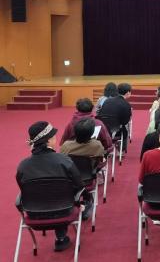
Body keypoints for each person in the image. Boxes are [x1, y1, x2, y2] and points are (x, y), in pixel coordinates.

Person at [16, 121, 83, 252]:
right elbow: (79, 185)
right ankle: (61, 238)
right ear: (48, 140)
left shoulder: (22, 166)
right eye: (53, 136)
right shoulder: (64, 161)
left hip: (34, 214)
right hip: (64, 211)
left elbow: (22, 187)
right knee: (60, 196)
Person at [96, 83, 132, 151]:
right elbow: (125, 122)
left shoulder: (107, 101)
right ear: (128, 93)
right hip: (115, 130)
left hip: (103, 127)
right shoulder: (126, 105)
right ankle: (121, 149)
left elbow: (99, 112)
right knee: (125, 128)